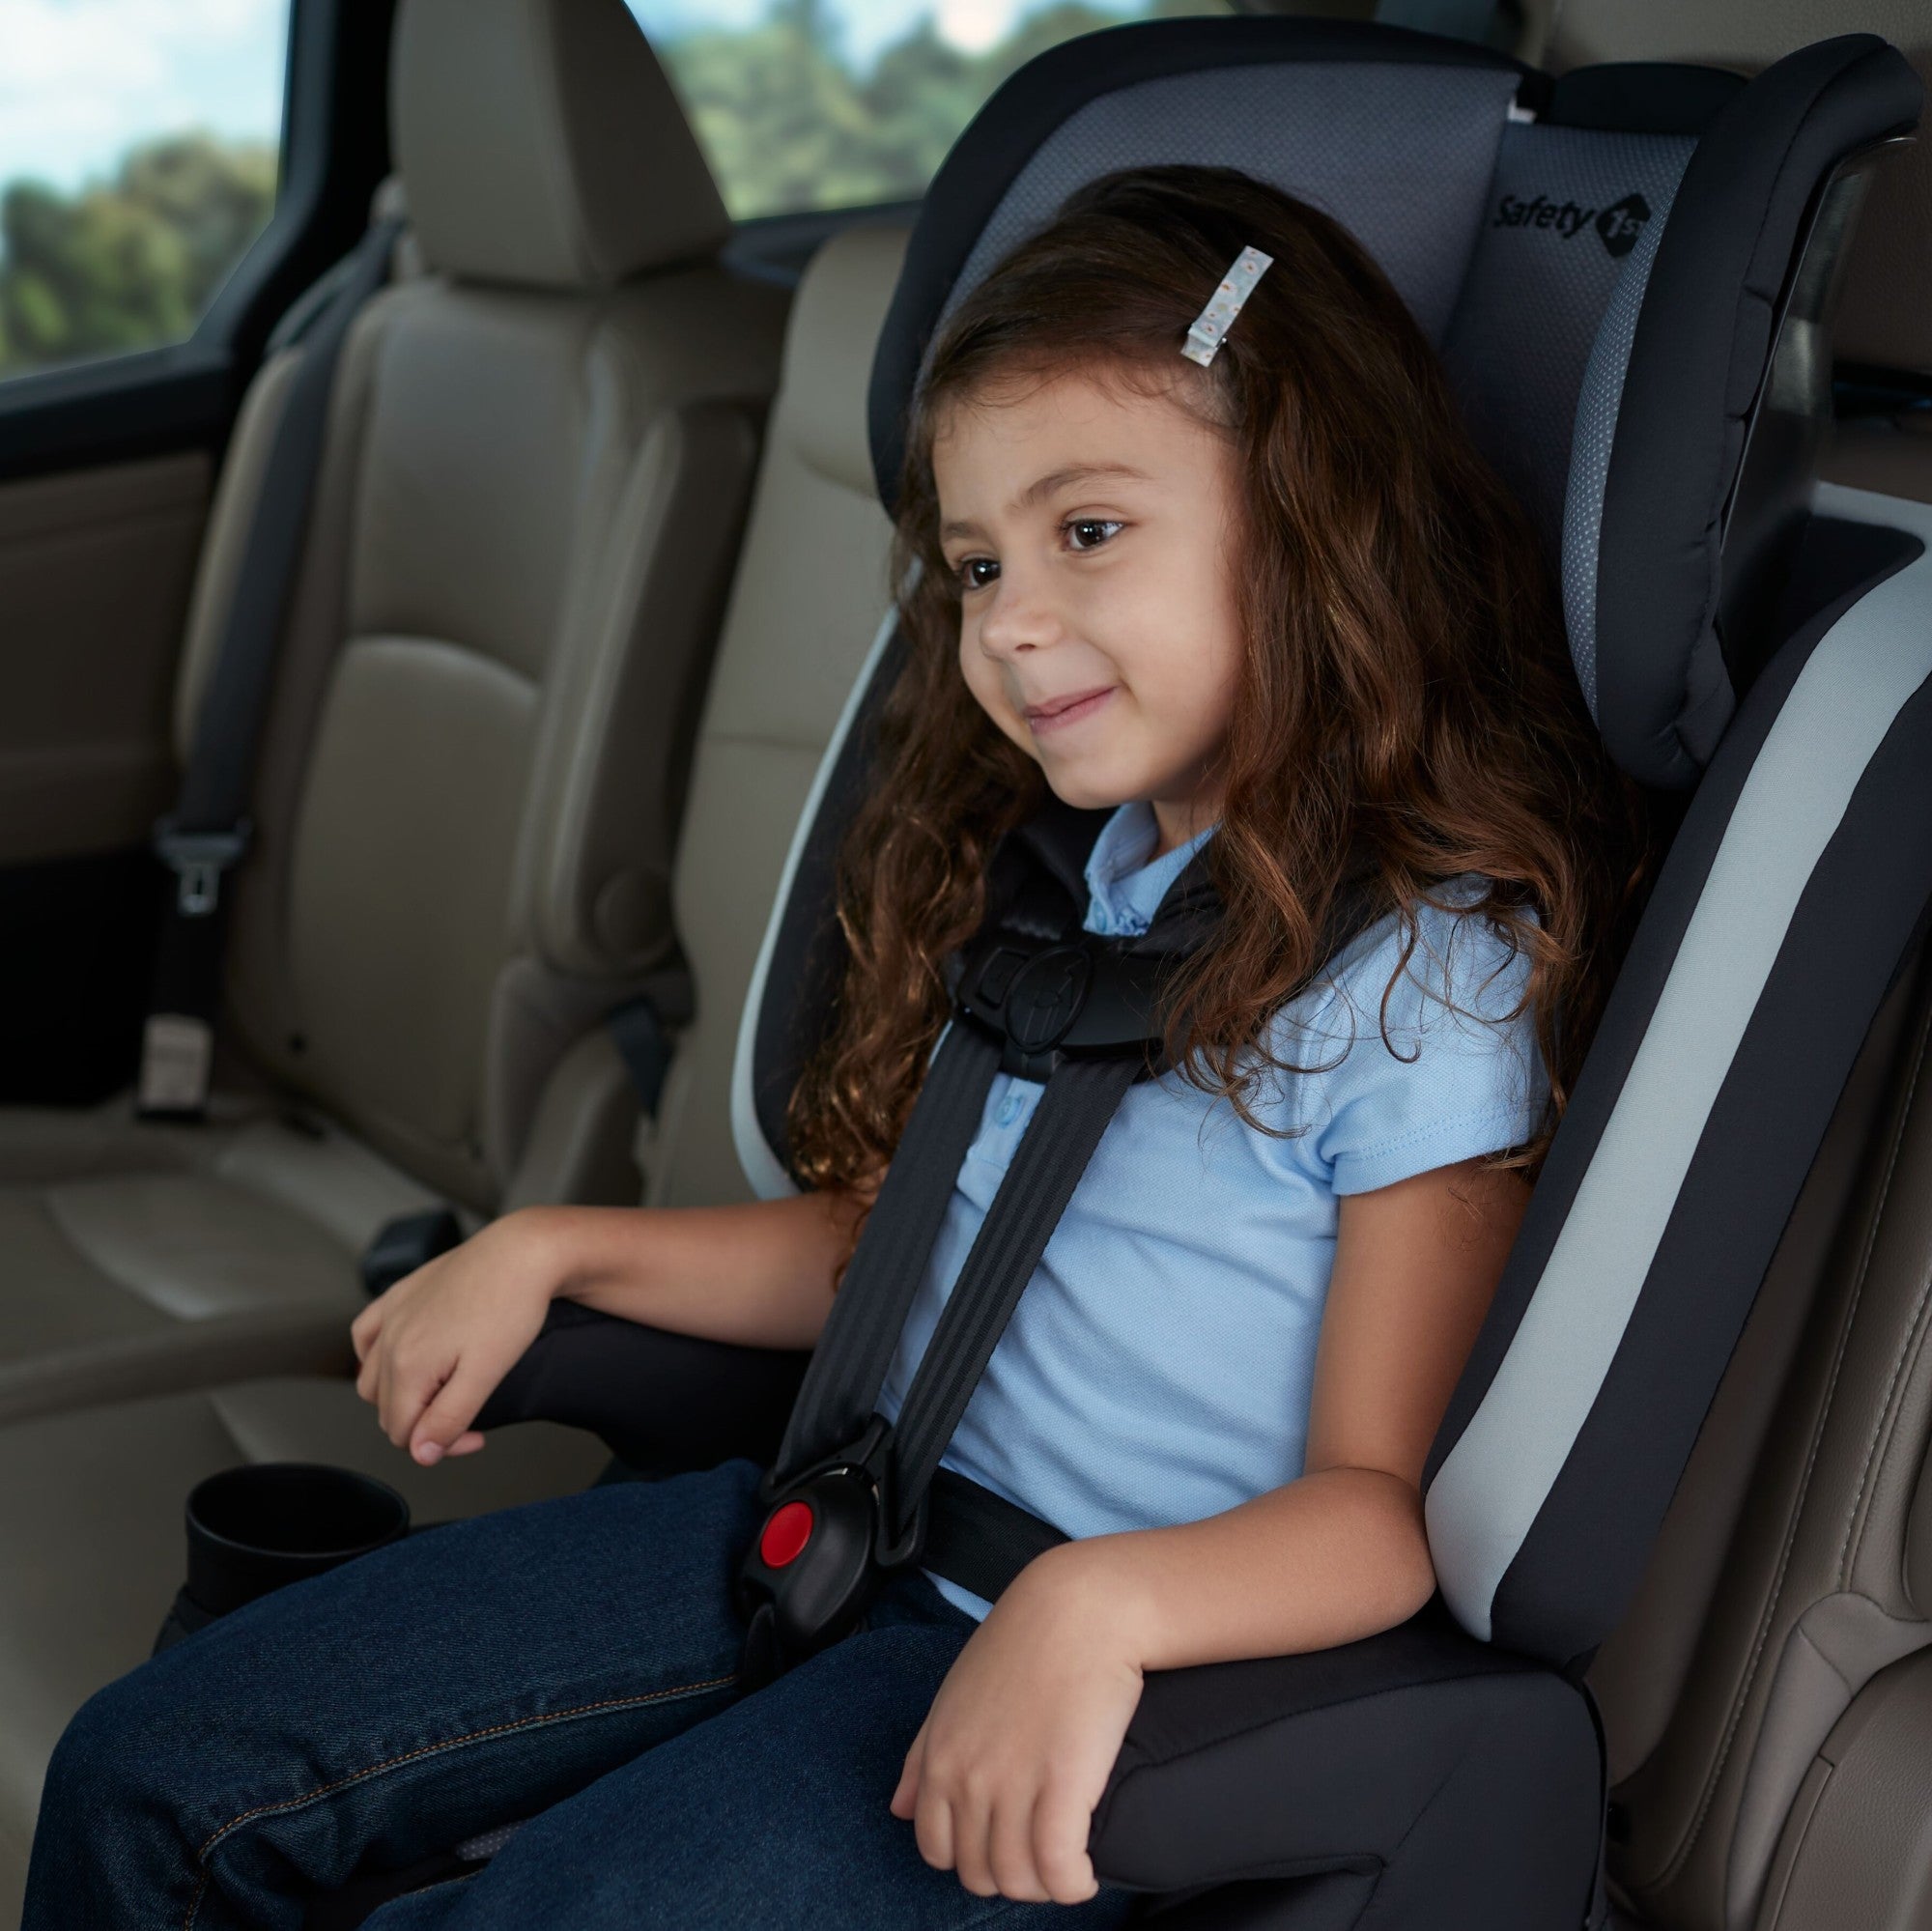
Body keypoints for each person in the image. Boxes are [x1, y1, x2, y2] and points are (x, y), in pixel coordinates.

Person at [21, 165, 1639, 1929]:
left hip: (1060, 1651)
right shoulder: (1081, 884)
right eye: (974, 565)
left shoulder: (1420, 989)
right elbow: (904, 1249)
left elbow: (1377, 1512)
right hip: (826, 1525)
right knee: (140, 1779)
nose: (1009, 625)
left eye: (1088, 532)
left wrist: (1093, 1611)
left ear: (1315, 519)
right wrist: (558, 1244)